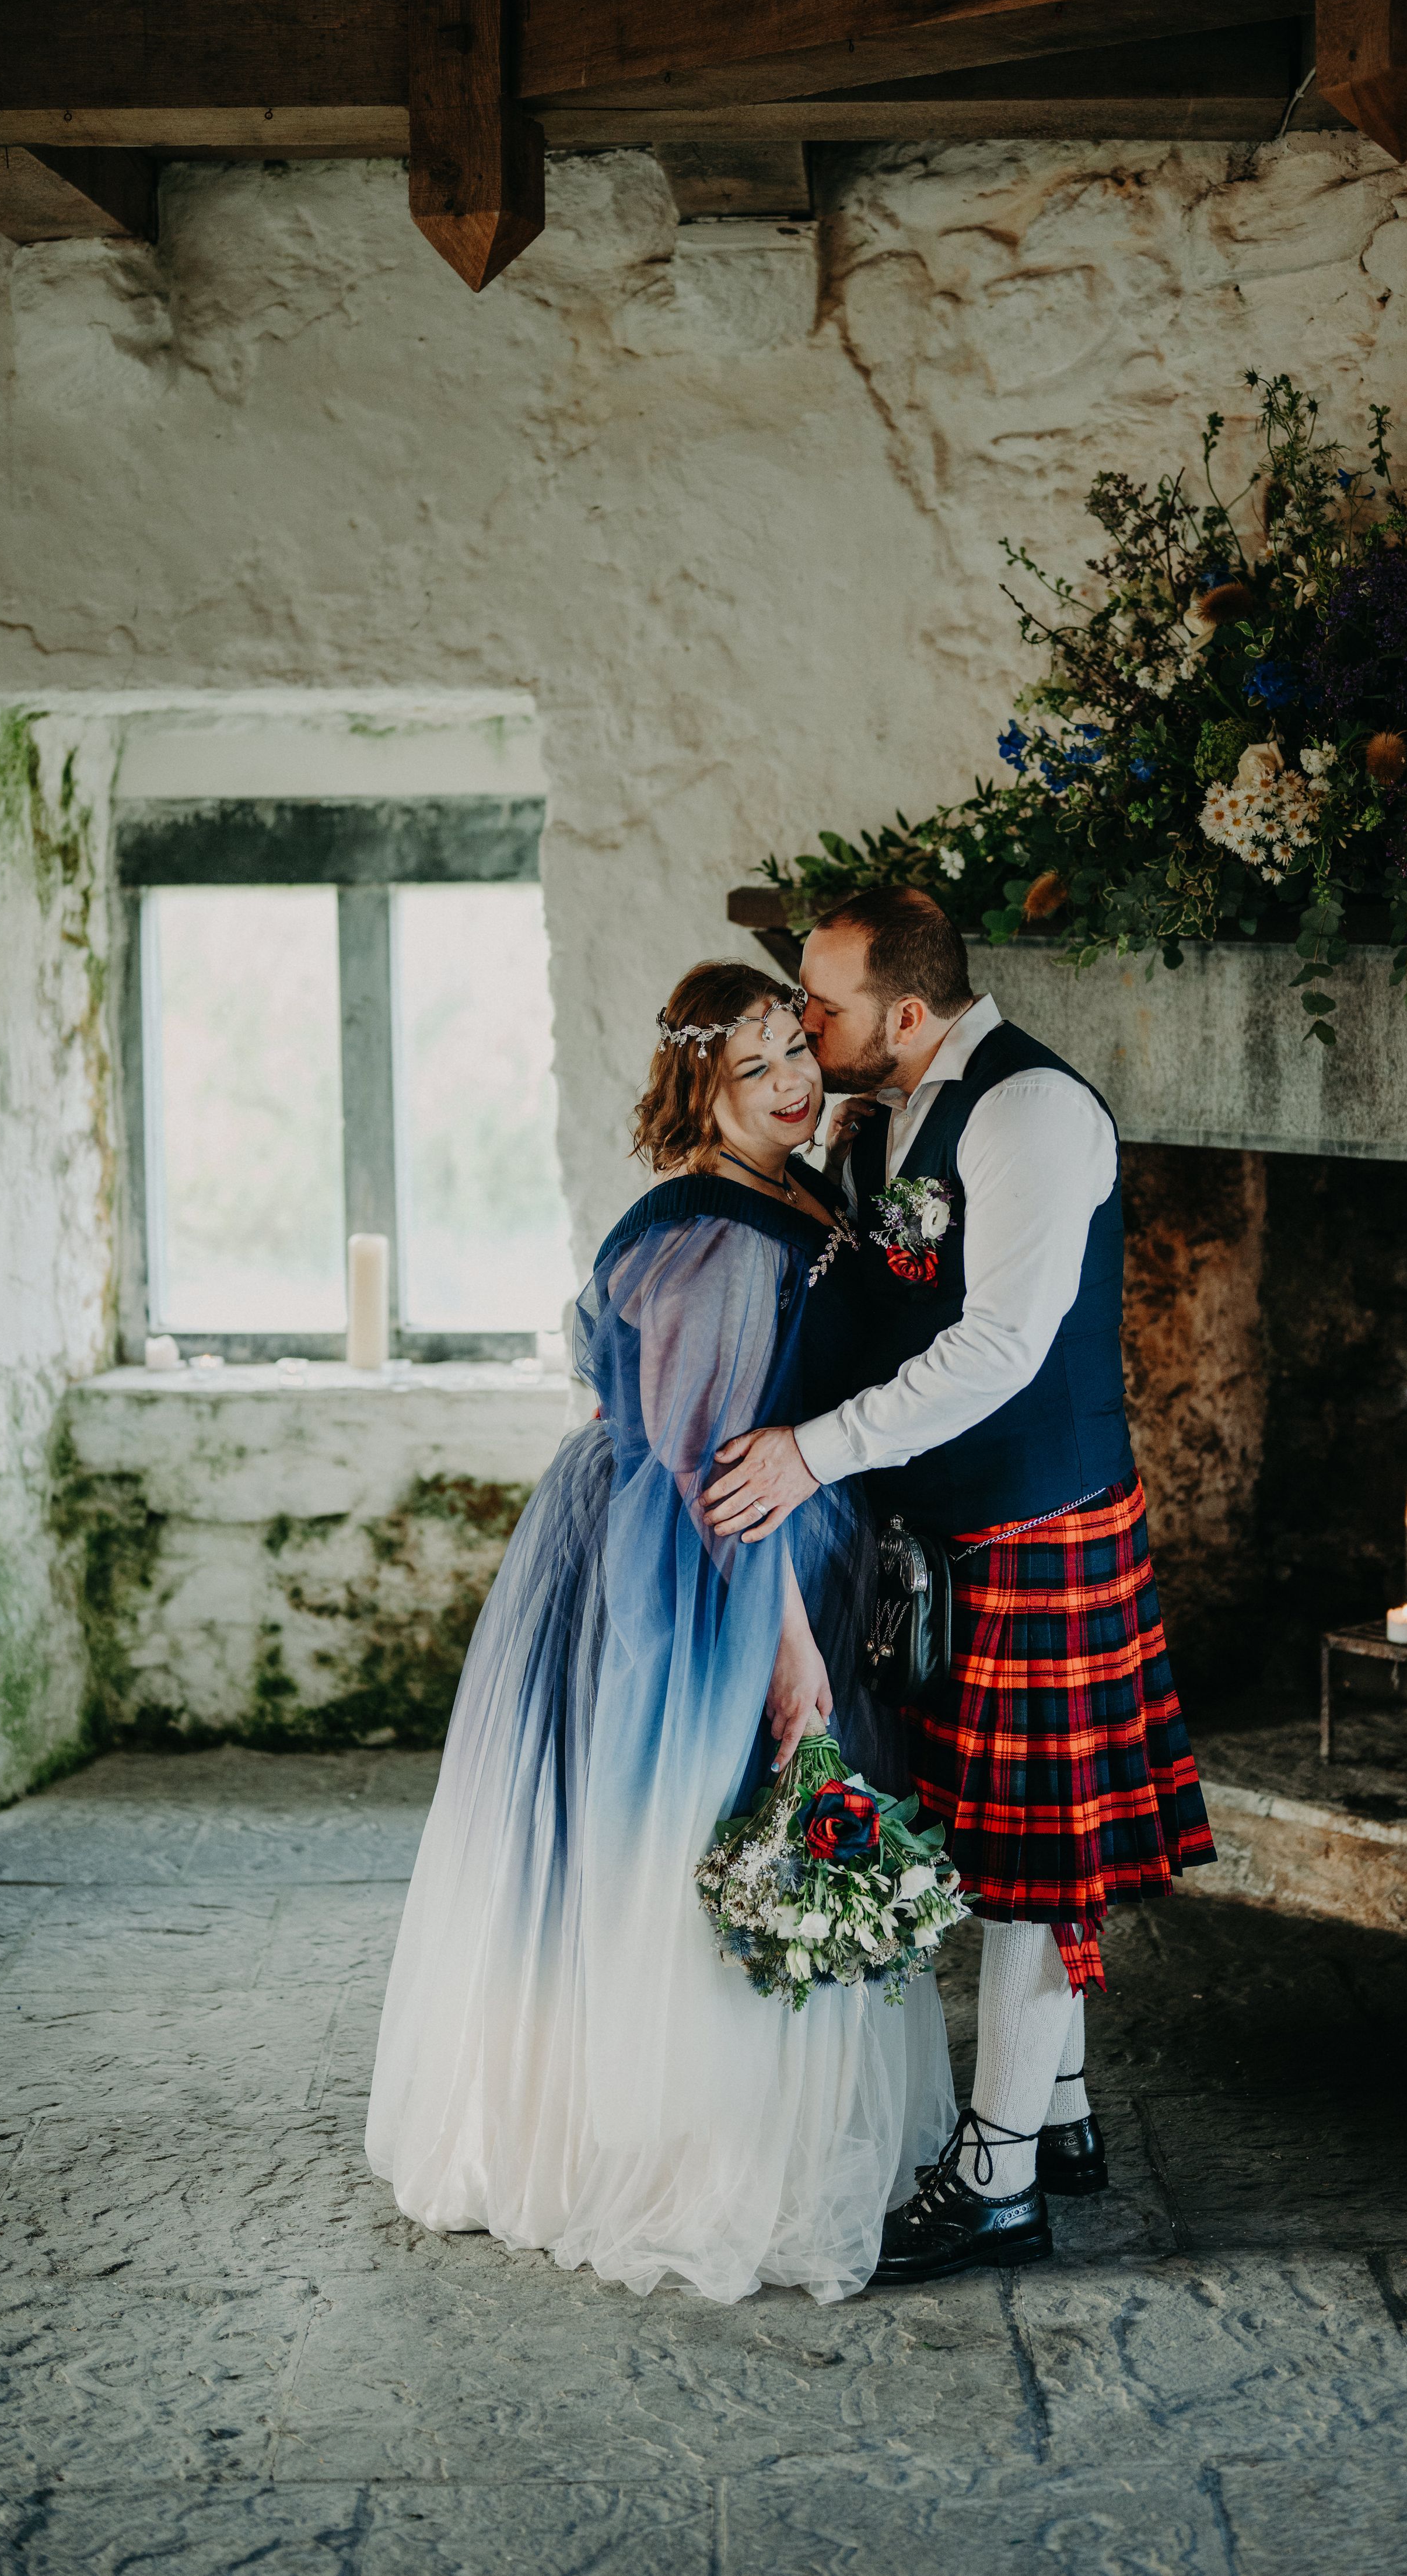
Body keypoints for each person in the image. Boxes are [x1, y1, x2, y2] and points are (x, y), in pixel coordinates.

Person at [366, 961, 954, 2304]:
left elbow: (609, 1370)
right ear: (705, 1086)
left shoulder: (781, 1187)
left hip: (699, 1535)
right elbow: (714, 1465)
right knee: (709, 1829)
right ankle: (694, 2146)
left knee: (711, 1834)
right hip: (715, 1569)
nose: (798, 1083)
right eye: (760, 1072)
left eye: (800, 1053)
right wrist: (789, 1647)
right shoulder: (721, 1234)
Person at [702, 888, 1215, 2284]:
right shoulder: (905, 1105)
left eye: (825, 1004)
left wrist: (811, 1455)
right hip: (956, 1531)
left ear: (909, 1014)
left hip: (1039, 1523)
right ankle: (1058, 2111)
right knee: (1007, 1833)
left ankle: (998, 2184)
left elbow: (997, 1350)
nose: (806, 1023)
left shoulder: (1033, 1113)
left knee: (1038, 1860)